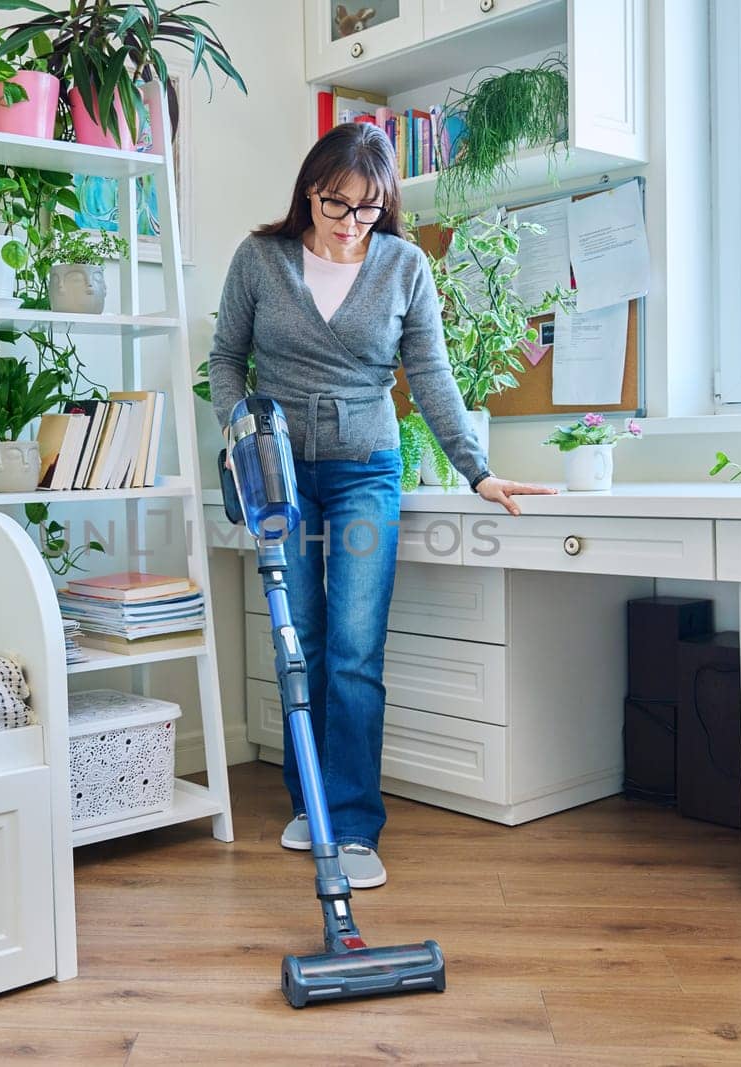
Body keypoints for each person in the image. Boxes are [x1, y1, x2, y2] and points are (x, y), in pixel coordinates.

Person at [207, 123, 553, 888]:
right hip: (279, 471)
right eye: (337, 203)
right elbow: (226, 357)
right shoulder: (259, 260)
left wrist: (478, 470)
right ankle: (312, 804)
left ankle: (355, 825)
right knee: (303, 642)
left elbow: (429, 374)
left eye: (368, 208)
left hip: (367, 469)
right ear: (310, 188)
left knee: (357, 649)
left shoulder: (403, 267)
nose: (350, 221)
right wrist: (240, 433)